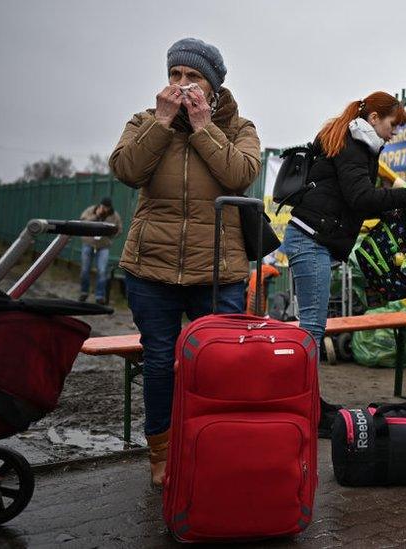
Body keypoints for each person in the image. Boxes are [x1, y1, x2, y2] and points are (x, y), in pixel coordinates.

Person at [108, 37, 261, 486]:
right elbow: (127, 170)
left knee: (219, 363)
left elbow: (241, 175)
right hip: (151, 266)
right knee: (159, 360)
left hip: (217, 271)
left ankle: (214, 444)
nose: (182, 84)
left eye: (192, 77)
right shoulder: (144, 121)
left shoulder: (238, 128)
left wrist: (202, 127)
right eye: (175, 75)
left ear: (213, 87)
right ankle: (162, 454)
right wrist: (161, 122)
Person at [284, 92, 406, 436]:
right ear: (375, 118)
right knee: (312, 331)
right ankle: (304, 408)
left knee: (312, 329)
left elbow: (355, 199)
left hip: (313, 239)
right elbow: (360, 198)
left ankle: (309, 403)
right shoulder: (353, 144)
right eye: (393, 125)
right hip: (310, 239)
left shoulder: (353, 141)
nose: (394, 133)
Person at [78, 197, 122, 304]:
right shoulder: (91, 210)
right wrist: (96, 216)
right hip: (88, 243)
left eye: (107, 208)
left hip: (103, 246)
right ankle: (84, 292)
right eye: (103, 207)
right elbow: (82, 222)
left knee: (102, 271)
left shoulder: (114, 215)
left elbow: (119, 230)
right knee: (85, 269)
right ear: (100, 205)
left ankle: (99, 296)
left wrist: (111, 234)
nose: (105, 210)